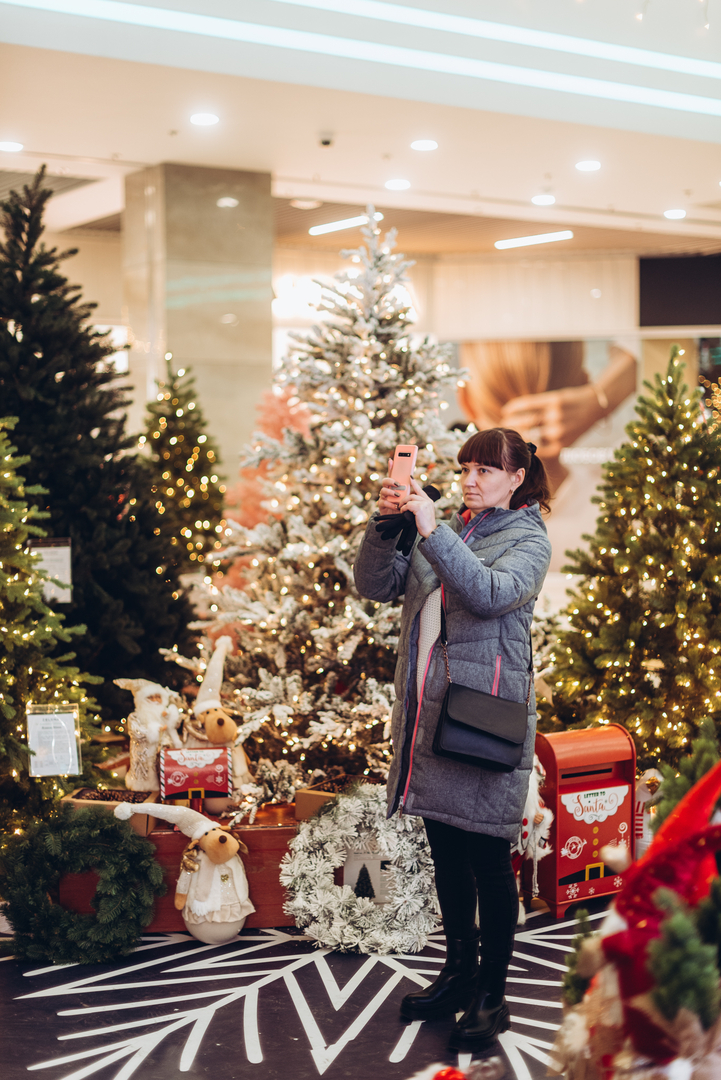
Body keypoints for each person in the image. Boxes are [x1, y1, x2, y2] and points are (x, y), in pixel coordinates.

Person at [353, 428, 552, 1052]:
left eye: (486, 470)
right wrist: (389, 526)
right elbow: (375, 585)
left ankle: (493, 996)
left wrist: (432, 529)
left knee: (488, 859)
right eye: (466, 467)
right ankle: (458, 974)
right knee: (445, 847)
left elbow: (490, 594)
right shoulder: (448, 523)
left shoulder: (528, 537)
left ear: (517, 477)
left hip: (482, 717)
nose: (471, 479)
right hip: (430, 710)